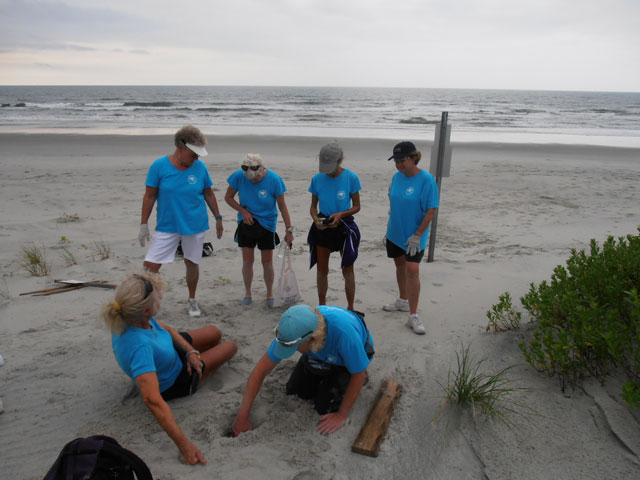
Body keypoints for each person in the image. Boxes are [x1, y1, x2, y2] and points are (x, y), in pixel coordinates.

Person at [102, 272, 237, 465]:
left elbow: (168, 330)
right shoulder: (139, 346)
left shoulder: (134, 317)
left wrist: (191, 352)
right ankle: (203, 375)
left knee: (215, 333)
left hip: (167, 350)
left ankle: (199, 357)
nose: (162, 298)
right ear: (146, 311)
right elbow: (152, 399)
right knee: (230, 347)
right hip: (176, 379)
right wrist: (185, 446)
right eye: (158, 298)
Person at [232, 304, 374, 436]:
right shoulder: (293, 328)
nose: (292, 352)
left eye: (294, 348)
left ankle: (348, 370)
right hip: (320, 353)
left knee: (324, 407)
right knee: (297, 391)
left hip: (345, 358)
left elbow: (358, 374)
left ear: (313, 339)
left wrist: (341, 415)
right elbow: (260, 371)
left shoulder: (345, 335)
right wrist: (242, 416)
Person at [138, 125, 224, 317]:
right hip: (168, 224)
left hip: (195, 224)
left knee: (192, 261)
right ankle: (149, 300)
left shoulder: (200, 167)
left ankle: (192, 299)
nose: (197, 159)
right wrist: (144, 224)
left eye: (198, 156)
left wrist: (218, 218)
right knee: (150, 266)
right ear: (180, 147)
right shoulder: (159, 166)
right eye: (194, 154)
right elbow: (150, 196)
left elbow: (208, 193)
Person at [383, 141, 439, 335]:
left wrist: (418, 235)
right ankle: (402, 300)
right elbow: (391, 195)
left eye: (402, 160)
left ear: (414, 158)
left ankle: (413, 315)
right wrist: (392, 215)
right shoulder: (396, 177)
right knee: (399, 265)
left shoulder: (426, 180)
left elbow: (431, 210)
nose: (399, 164)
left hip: (415, 235)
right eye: (396, 161)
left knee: (412, 269)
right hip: (395, 232)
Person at [224, 154, 294, 307]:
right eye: (250, 180)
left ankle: (269, 293)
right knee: (247, 260)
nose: (253, 181)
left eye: (255, 179)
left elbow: (282, 207)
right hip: (246, 223)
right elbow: (228, 197)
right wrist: (243, 211)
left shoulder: (274, 180)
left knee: (267, 261)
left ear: (262, 170)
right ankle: (248, 292)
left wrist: (289, 230)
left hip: (267, 224)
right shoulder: (239, 176)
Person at [307, 142, 361, 311]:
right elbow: (313, 206)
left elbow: (357, 206)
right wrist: (316, 219)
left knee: (348, 269)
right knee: (322, 270)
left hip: (344, 225)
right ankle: (322, 306)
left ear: (339, 161)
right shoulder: (317, 179)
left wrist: (341, 215)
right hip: (323, 226)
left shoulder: (351, 177)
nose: (328, 171)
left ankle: (350, 307)